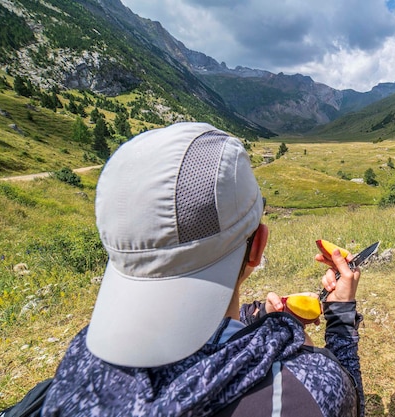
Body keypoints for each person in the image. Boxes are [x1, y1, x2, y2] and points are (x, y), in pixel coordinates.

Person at [41, 122, 364, 417]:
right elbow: (350, 403)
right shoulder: (307, 389)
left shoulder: (82, 359)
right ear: (258, 246)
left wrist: (254, 318)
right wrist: (341, 318)